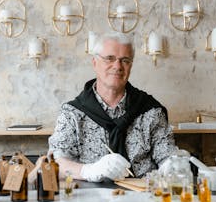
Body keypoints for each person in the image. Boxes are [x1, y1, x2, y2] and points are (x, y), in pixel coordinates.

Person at [48, 32, 179, 182]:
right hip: (90, 199)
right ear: (95, 63)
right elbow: (55, 162)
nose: (117, 66)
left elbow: (166, 154)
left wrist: (173, 165)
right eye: (109, 58)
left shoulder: (151, 111)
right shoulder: (72, 113)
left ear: (131, 66)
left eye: (125, 60)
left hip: (143, 197)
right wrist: (88, 170)